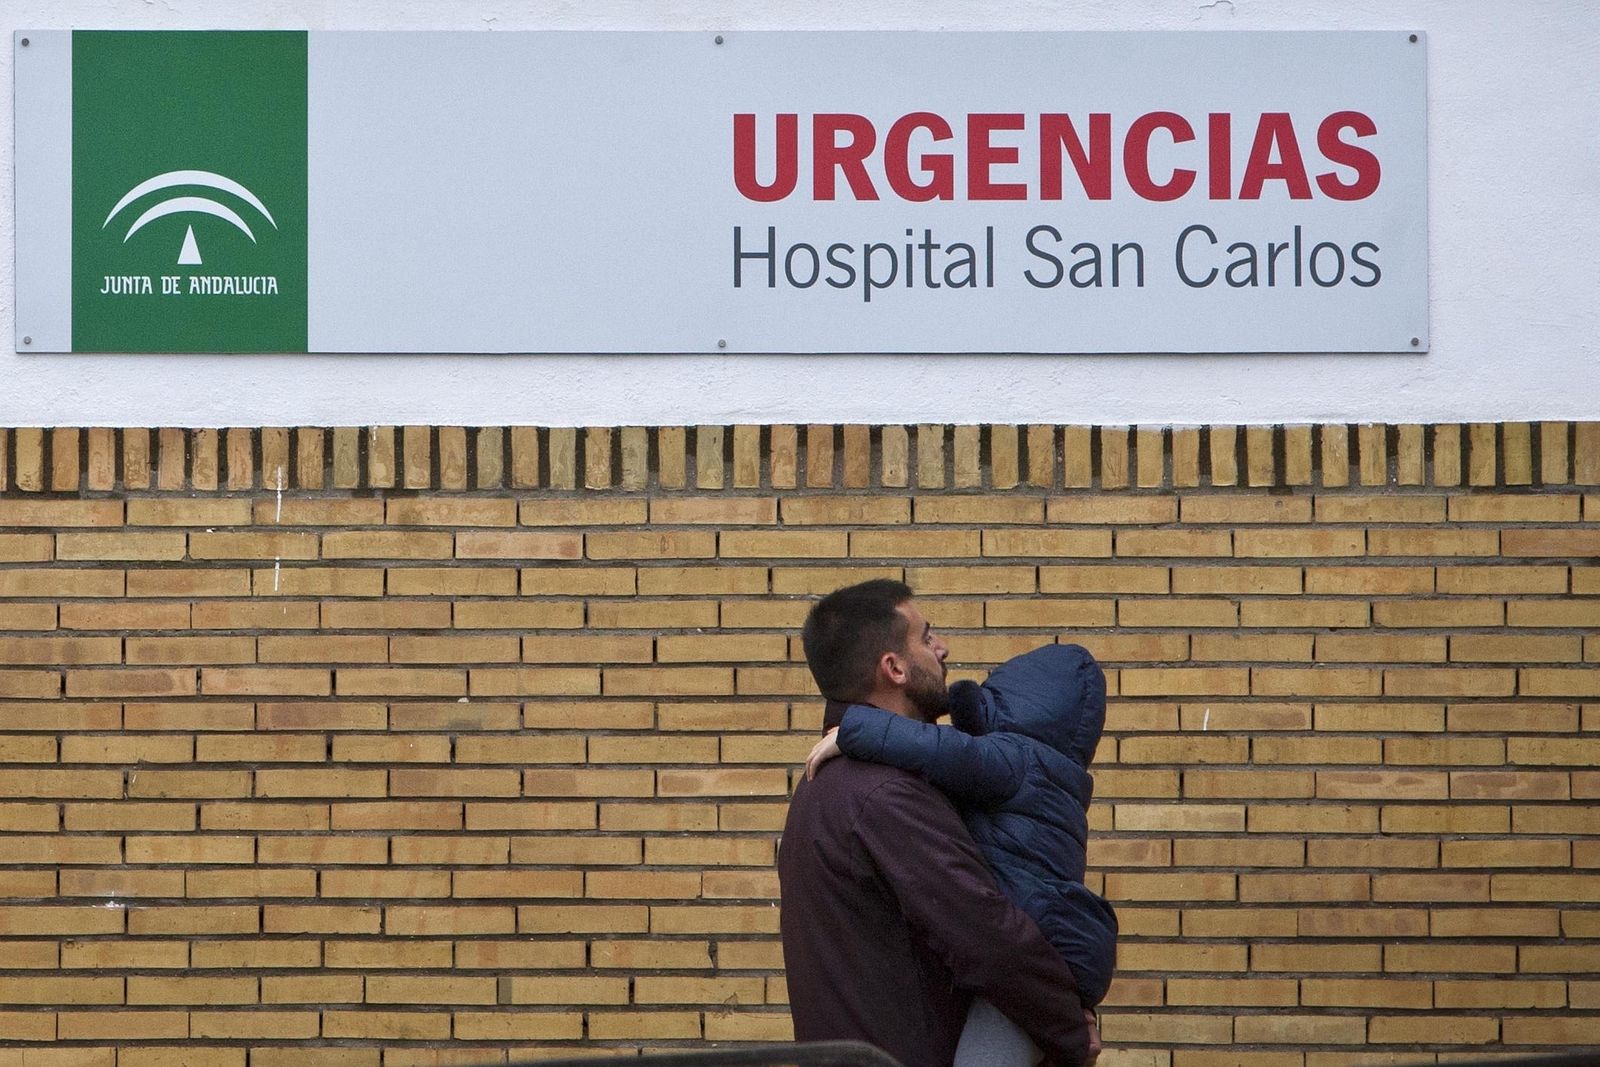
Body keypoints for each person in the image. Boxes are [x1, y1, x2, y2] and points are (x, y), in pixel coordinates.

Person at [778, 579, 1100, 1067]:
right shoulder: (887, 794)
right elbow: (989, 938)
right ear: (895, 668)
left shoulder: (831, 785)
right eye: (927, 637)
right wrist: (1070, 1026)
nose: (943, 647)